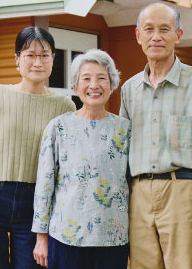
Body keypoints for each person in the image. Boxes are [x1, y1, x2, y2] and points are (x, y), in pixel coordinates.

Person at [120, 2, 192, 269]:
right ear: (138, 36)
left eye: (164, 29)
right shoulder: (129, 89)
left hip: (184, 193)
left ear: (178, 36)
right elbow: (121, 150)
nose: (156, 36)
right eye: (149, 30)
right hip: (139, 194)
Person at [0, 27, 76, 269]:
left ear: (53, 59)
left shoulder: (65, 106)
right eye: (30, 54)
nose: (37, 62)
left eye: (45, 55)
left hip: (37, 205)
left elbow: (66, 170)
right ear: (17, 59)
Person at [32, 49, 130, 269]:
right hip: (66, 237)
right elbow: (44, 184)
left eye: (101, 78)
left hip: (113, 238)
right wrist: (41, 237)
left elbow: (132, 184)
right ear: (75, 87)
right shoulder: (58, 127)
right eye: (86, 79)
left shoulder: (125, 129)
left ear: (112, 86)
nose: (93, 85)